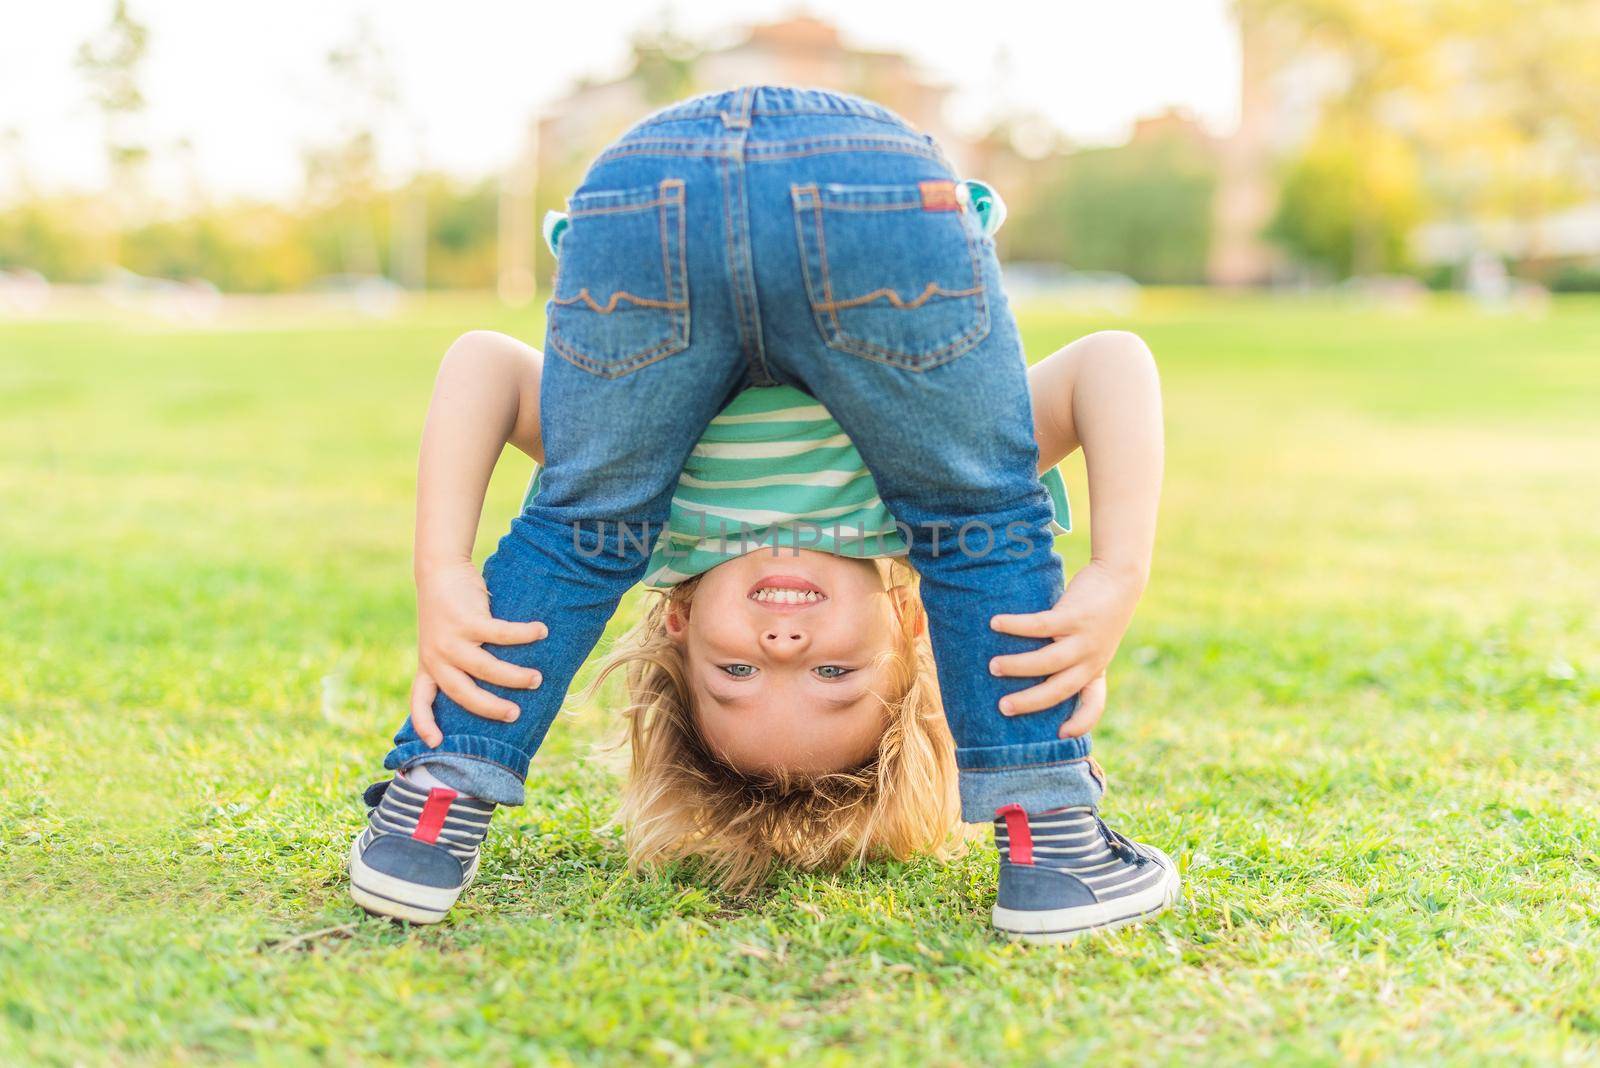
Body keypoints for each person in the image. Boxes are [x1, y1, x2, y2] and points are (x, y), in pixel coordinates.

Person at [348, 87, 1175, 942]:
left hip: (653, 206)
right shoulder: (907, 519)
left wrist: (444, 571)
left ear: (679, 620)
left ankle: (439, 794)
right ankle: (1053, 840)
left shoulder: (657, 524)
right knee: (979, 523)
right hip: (867, 200)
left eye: (735, 677)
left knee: (582, 531)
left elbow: (484, 364)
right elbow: (1110, 364)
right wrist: (1118, 571)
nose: (783, 651)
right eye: (834, 679)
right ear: (914, 626)